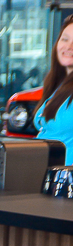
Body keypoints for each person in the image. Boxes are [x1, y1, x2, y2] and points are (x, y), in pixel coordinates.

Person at [34, 14, 73, 164]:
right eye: (65, 39)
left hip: (66, 175)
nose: (69, 46)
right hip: (44, 172)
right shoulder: (57, 86)